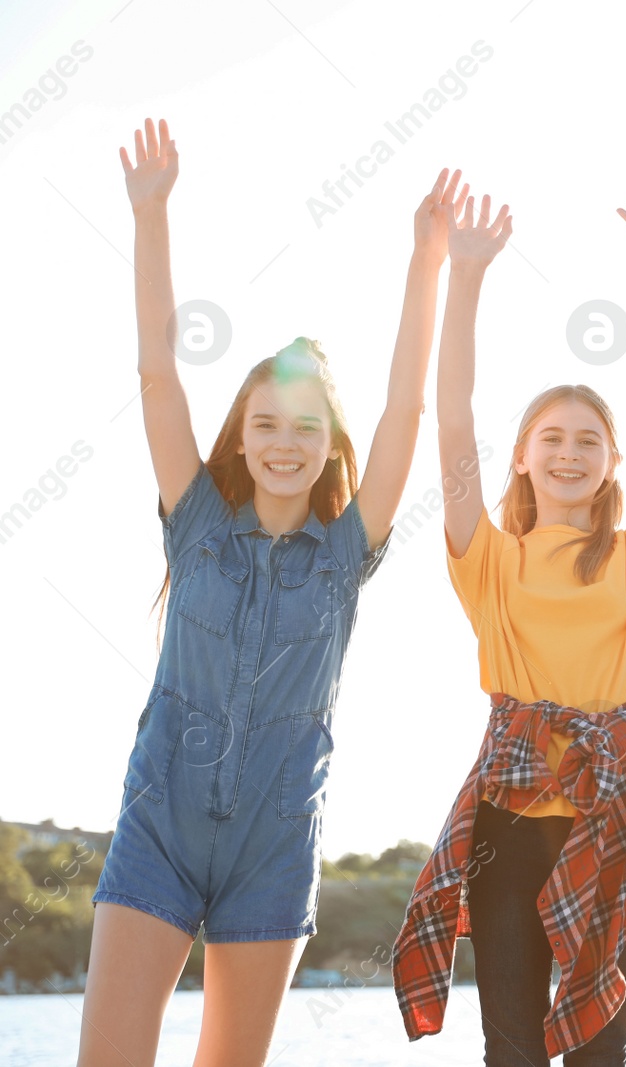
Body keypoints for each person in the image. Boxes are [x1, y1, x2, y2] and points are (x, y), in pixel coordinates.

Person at [81, 118, 449, 1067]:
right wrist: (151, 214)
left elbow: (406, 407)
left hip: (272, 849)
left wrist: (427, 260)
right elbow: (158, 374)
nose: (286, 442)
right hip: (157, 829)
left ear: (330, 442)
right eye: (266, 422)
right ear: (241, 435)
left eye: (307, 425)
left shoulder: (342, 554)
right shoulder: (197, 521)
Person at [391, 195, 626, 1066]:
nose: (569, 451)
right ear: (522, 452)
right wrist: (469, 276)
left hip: (616, 808)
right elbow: (451, 422)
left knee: (601, 1052)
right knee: (513, 1048)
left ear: (611, 465)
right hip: (510, 821)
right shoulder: (487, 558)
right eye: (551, 437)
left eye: (589, 440)